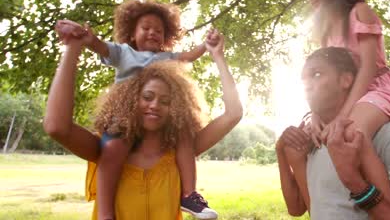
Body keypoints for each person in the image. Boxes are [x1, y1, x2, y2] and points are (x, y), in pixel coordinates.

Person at [43, 28, 243, 219]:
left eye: (166, 101)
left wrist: (217, 56)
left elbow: (233, 113)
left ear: (176, 108)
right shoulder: (105, 150)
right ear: (131, 100)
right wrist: (72, 49)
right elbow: (55, 126)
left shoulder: (181, 153)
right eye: (147, 97)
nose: (155, 105)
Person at [293, 0, 390, 207]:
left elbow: (368, 68)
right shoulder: (326, 33)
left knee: (350, 133)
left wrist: (343, 116)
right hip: (347, 95)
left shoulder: (360, 12)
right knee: (305, 136)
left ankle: (387, 209)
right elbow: (321, 74)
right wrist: (315, 114)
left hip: (376, 89)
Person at [276, 47, 390, 219]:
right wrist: (281, 151)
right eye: (303, 79)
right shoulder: (313, 140)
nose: (307, 85)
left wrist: (356, 183)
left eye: (316, 74)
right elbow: (297, 208)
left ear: (346, 80)